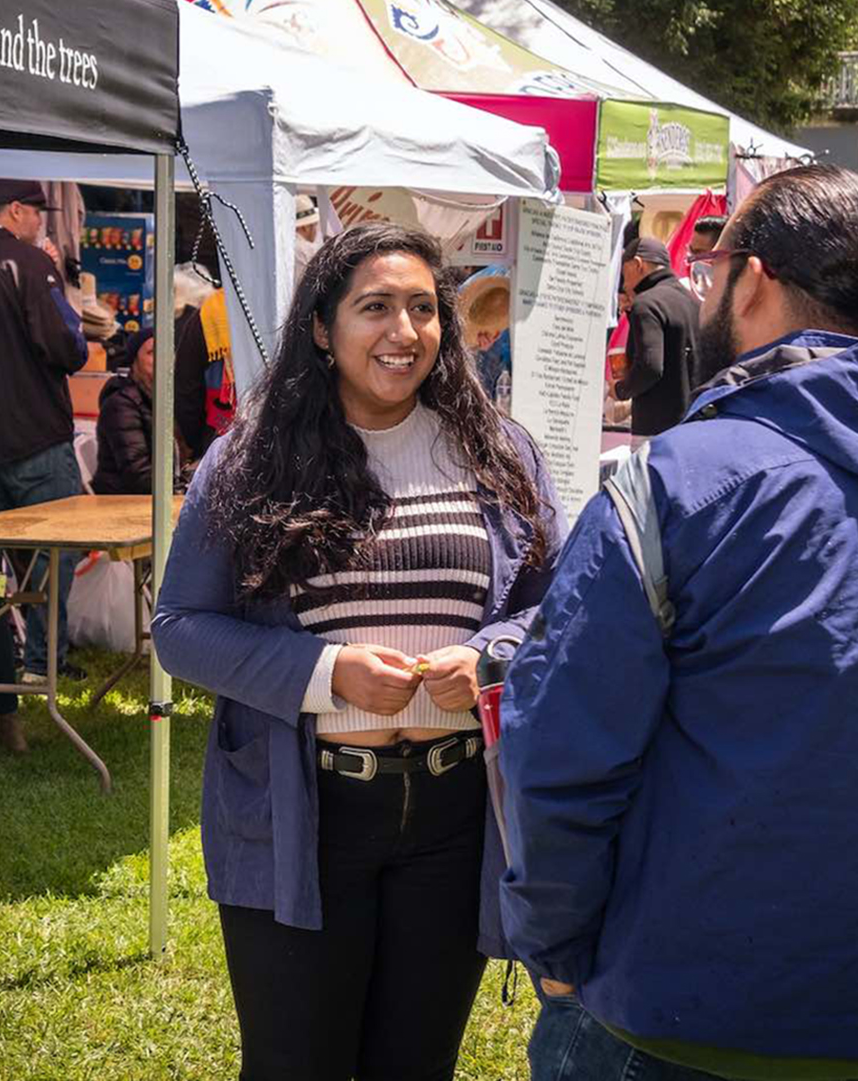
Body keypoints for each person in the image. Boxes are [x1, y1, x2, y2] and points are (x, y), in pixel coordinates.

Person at [500, 164, 858, 1081]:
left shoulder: (672, 486)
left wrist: (555, 945)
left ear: (754, 279)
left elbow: (559, 757)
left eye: (713, 265)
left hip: (682, 1017)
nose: (702, 287)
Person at [152, 222, 561, 1081]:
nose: (403, 331)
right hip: (304, 815)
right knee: (293, 1064)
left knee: (417, 1064)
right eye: (375, 307)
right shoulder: (251, 462)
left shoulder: (500, 453)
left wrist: (492, 654)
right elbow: (181, 626)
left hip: (455, 815)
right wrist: (327, 674)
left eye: (423, 307)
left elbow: (555, 607)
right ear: (320, 326)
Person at [0, 179, 90, 727]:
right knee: (55, 556)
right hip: (35, 438)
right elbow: (71, 347)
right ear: (15, 211)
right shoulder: (32, 265)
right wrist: (53, 275)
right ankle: (41, 665)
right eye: (38, 213)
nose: (42, 223)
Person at [613, 236, 701, 437]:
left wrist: (620, 390)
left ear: (638, 265)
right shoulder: (692, 302)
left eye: (624, 274)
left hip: (655, 429)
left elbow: (649, 366)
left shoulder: (647, 303)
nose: (625, 285)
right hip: (690, 424)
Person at [92, 327, 169, 495]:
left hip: (151, 495)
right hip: (121, 500)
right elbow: (138, 474)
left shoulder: (160, 398)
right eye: (152, 352)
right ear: (134, 361)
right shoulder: (121, 405)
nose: (161, 359)